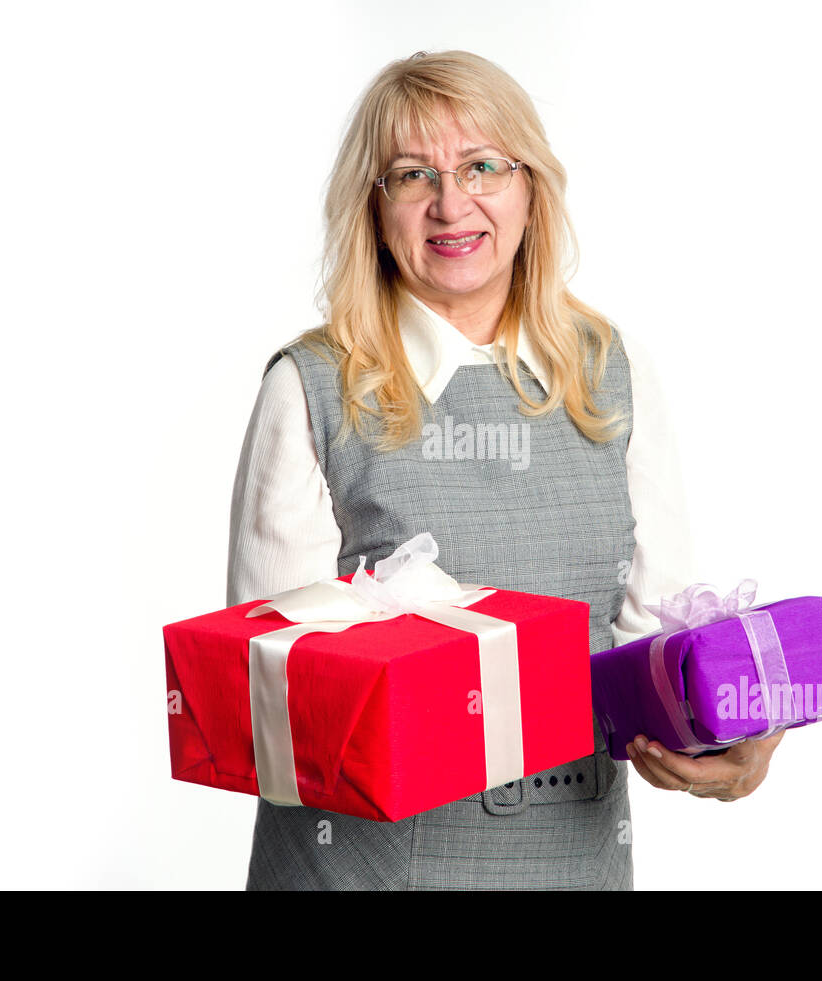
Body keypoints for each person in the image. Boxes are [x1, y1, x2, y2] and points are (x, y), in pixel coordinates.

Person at [227, 49, 783, 890]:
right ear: (375, 209)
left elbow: (653, 643)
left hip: (573, 865)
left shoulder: (612, 372)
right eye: (413, 175)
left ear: (530, 189)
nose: (452, 203)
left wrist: (729, 732)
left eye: (483, 166)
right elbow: (267, 701)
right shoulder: (312, 387)